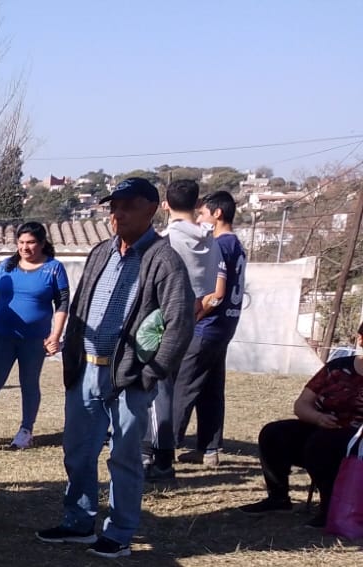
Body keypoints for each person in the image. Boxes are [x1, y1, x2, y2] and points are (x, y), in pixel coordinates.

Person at [35, 178, 194, 559]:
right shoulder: (100, 252)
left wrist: (150, 373)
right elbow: (80, 306)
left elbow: (180, 323)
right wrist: (71, 356)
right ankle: (78, 523)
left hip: (129, 376)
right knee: (77, 451)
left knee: (124, 456)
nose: (117, 214)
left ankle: (120, 532)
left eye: (127, 206)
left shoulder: (164, 260)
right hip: (86, 369)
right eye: (113, 207)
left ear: (151, 209)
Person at [240, 336, 363, 528]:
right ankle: (278, 498)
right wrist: (318, 418)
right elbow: (301, 405)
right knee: (273, 433)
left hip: (357, 438)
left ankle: (330, 508)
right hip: (322, 426)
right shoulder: (337, 367)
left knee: (321, 444)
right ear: (360, 339)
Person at [146, 180, 222, 480]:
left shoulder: (167, 240)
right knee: (167, 387)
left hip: (163, 318)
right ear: (197, 203)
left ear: (165, 205)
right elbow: (209, 287)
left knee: (156, 387)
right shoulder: (210, 240)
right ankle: (159, 452)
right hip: (191, 316)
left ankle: (159, 455)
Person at [0, 222, 70, 450]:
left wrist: (55, 335)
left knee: (29, 383)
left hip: (34, 340)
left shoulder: (54, 268)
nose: (25, 247)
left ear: (42, 243)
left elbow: (62, 303)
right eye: (21, 242)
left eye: (31, 242)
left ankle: (26, 430)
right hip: (3, 336)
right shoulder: (5, 267)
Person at [174, 190, 247, 468]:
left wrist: (192, 318)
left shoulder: (218, 245)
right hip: (226, 325)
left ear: (217, 214)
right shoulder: (237, 244)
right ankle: (209, 449)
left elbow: (216, 293)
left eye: (203, 214)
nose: (199, 219)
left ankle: (162, 449)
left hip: (206, 326)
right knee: (211, 389)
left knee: (182, 387)